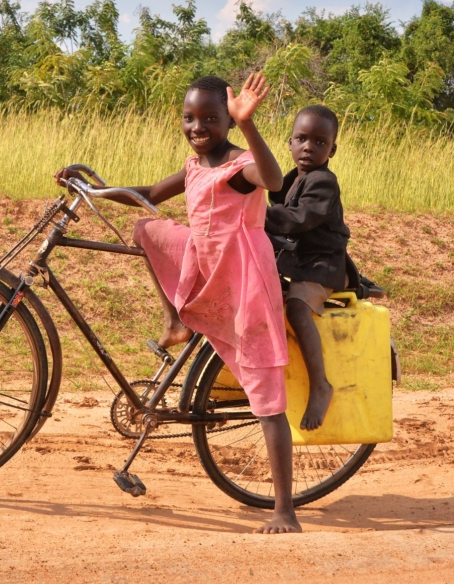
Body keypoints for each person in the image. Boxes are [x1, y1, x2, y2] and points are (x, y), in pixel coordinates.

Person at [55, 73, 301, 534]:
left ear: (227, 120)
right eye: (189, 118)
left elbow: (272, 179)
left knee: (265, 396)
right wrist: (90, 187)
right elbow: (146, 198)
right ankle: (175, 322)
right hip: (205, 264)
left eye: (211, 118)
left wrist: (249, 126)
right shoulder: (194, 165)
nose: (198, 126)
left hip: (244, 279)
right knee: (146, 230)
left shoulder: (239, 164)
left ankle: (284, 508)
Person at [264, 105, 350, 431]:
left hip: (321, 266)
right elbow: (267, 192)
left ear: (332, 149)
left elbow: (299, 219)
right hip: (295, 260)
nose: (308, 147)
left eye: (319, 141)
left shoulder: (324, 183)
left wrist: (258, 214)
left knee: (297, 309)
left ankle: (320, 387)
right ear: (289, 142)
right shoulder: (290, 179)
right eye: (301, 138)